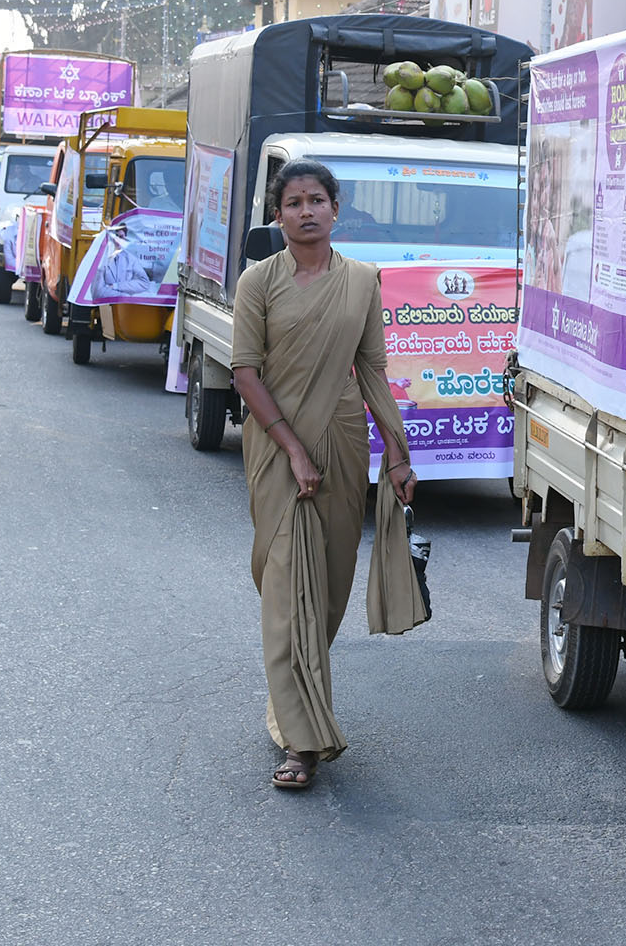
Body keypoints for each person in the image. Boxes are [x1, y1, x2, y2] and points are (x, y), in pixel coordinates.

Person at [229, 158, 428, 790]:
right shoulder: (257, 284)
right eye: (293, 202)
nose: (306, 211)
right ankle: (304, 741)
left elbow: (372, 370)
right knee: (288, 589)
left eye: (317, 200)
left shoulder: (364, 281)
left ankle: (292, 701)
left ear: (336, 210)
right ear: (277, 215)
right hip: (275, 444)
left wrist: (396, 454)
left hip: (343, 442)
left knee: (328, 588)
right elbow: (245, 372)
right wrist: (289, 447)